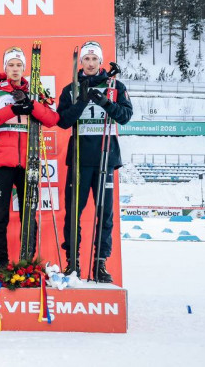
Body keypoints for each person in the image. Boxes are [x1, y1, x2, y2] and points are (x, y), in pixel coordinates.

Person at [56, 41, 133, 282]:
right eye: (86, 59)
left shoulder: (115, 86)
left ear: (101, 62)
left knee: (104, 213)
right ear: (81, 63)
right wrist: (82, 101)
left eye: (94, 59)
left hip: (105, 157)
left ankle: (100, 263)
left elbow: (125, 117)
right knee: (73, 213)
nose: (90, 64)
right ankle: (73, 263)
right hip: (79, 158)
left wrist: (104, 102)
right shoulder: (71, 88)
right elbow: (63, 121)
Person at [0, 46, 59, 268]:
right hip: (2, 162)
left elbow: (52, 118)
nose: (15, 69)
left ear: (24, 68)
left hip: (29, 160)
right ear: (5, 68)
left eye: (19, 65)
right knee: (0, 215)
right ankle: (1, 263)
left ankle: (26, 262)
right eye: (11, 65)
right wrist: (12, 110)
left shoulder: (36, 91)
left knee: (29, 215)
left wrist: (33, 107)